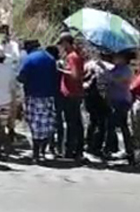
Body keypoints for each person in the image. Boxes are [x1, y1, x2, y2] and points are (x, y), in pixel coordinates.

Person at [17, 45, 58, 163]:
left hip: (33, 96)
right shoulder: (50, 58)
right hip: (49, 96)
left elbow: (21, 77)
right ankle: (43, 153)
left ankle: (35, 154)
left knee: (35, 126)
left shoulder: (29, 59)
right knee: (46, 125)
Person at [57, 33, 86, 162]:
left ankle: (71, 150)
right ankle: (76, 149)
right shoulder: (73, 56)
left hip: (71, 93)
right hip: (73, 93)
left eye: (62, 43)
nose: (62, 47)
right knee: (75, 122)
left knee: (72, 123)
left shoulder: (72, 57)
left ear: (66, 43)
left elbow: (75, 75)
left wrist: (61, 70)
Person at [84, 55, 118, 157]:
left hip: (89, 96)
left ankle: (89, 144)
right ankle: (97, 147)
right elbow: (113, 83)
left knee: (92, 121)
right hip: (102, 98)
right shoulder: (110, 68)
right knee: (101, 123)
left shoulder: (88, 64)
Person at [107, 51, 136, 164]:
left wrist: (108, 76)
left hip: (122, 100)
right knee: (114, 126)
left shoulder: (126, 70)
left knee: (118, 125)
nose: (115, 57)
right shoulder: (116, 68)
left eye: (117, 56)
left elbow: (120, 80)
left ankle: (129, 151)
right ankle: (125, 150)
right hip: (113, 99)